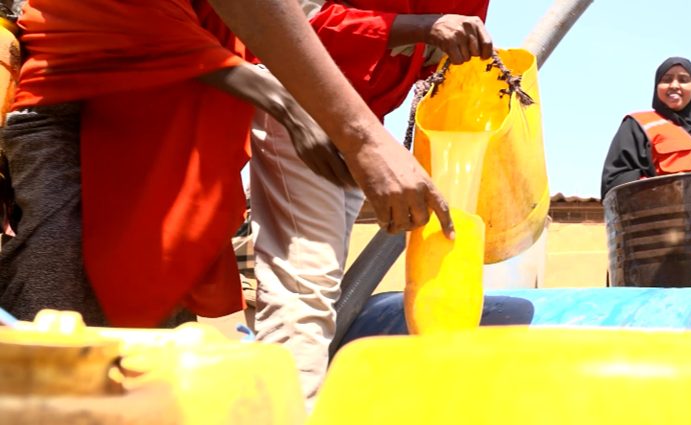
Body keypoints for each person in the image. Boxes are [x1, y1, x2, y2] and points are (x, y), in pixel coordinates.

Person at [0, 0, 453, 328]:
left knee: (148, 368)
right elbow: (114, 19)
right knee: (52, 340)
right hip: (75, 121)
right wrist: (335, 127)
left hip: (174, 153)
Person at [248, 0, 492, 410]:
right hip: (303, 102)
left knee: (315, 289)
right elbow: (295, 25)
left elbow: (437, 61)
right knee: (305, 284)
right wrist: (423, 28)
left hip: (365, 119)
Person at [599, 57, 691, 282]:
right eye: (667, 80)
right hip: (653, 251)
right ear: (657, 87)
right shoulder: (638, 124)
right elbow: (614, 182)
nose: (675, 85)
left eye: (684, 80)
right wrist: (669, 189)